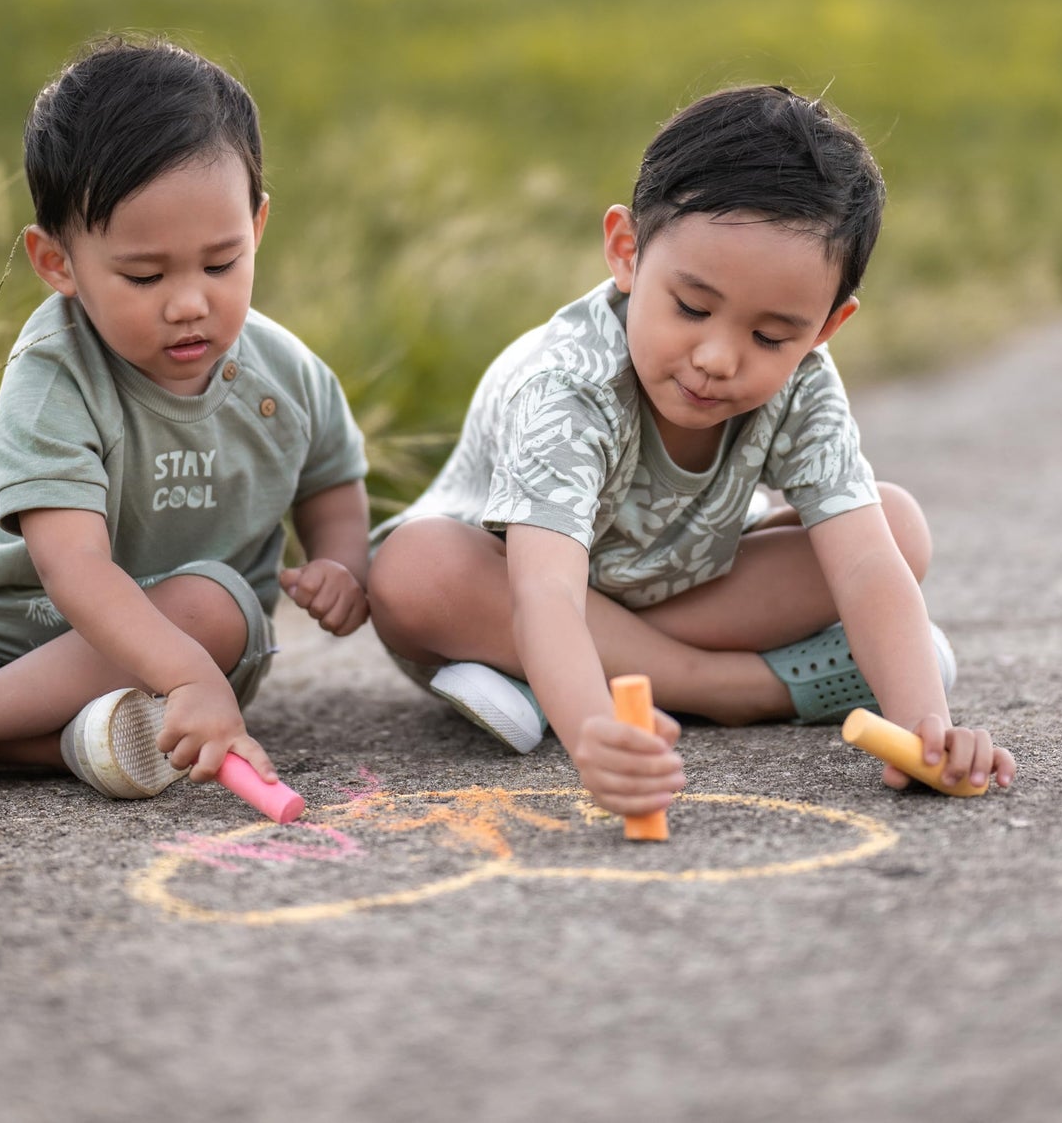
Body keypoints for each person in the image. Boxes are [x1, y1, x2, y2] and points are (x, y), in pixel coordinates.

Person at [367, 85, 1015, 819]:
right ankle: (734, 689)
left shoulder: (803, 385)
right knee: (410, 572)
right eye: (691, 308)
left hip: (682, 590)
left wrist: (925, 729)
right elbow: (542, 593)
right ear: (626, 253)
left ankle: (540, 681)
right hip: (508, 591)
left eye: (770, 337)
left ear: (827, 326)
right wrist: (594, 736)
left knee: (892, 528)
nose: (716, 357)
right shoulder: (566, 387)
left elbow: (864, 561)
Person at [0, 37, 370, 812]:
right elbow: (73, 568)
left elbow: (331, 478)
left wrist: (341, 564)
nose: (188, 301)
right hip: (25, 620)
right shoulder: (54, 371)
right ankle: (85, 741)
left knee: (217, 600)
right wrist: (184, 684)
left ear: (255, 226)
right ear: (57, 263)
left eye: (219, 264)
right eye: (144, 275)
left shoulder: (285, 374)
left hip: (192, 637)